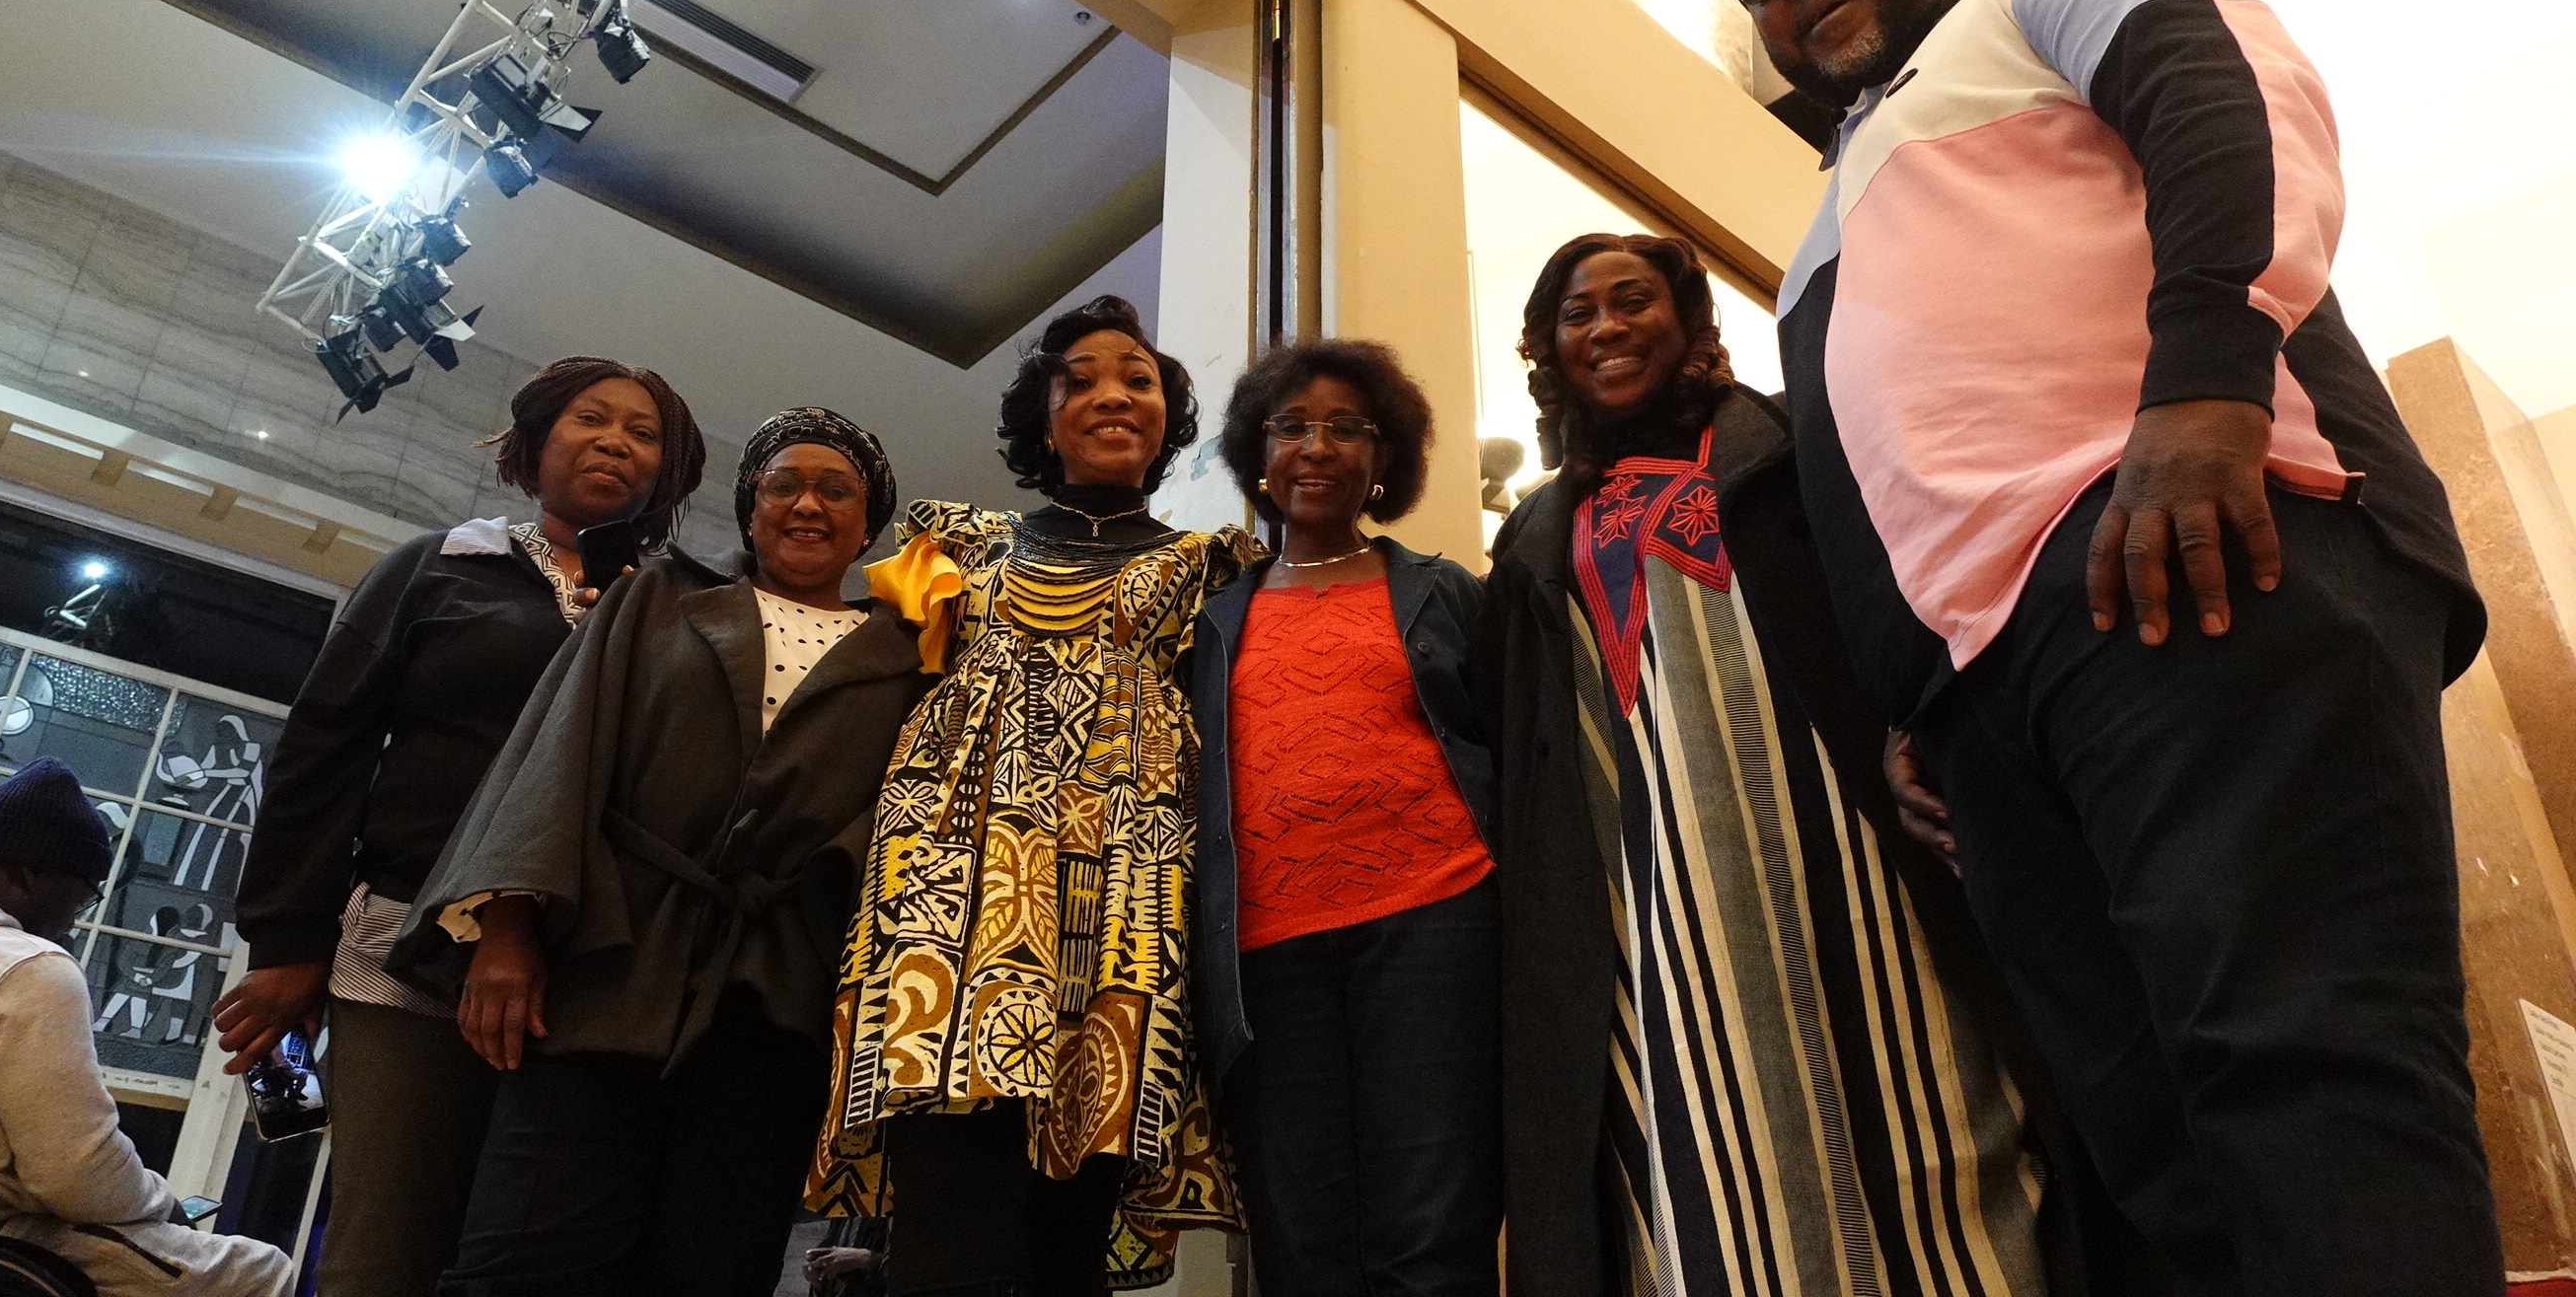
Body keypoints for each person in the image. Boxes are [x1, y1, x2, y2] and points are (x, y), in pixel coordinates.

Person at [1734, 0, 2498, 1291]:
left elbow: (2229, 99)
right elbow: (1863, 479)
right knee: (2154, 1149)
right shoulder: (1814, 242)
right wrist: (1913, 709)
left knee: (2307, 1064)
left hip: (2191, 538)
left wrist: (2206, 382)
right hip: (1988, 699)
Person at [1480, 234, 2051, 1297]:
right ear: (1548, 351)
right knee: (1718, 1131)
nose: (1605, 328)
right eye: (1577, 314)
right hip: (1666, 888)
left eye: (1632, 300)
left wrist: (1918, 726)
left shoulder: (1790, 442)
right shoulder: (1531, 540)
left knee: (1930, 1090)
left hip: (1854, 842)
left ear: (1687, 318)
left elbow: (1909, 594)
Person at [387, 410, 931, 1297]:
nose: (807, 505)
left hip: (777, 998)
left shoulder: (911, 659)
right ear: (750, 507)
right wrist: (508, 928)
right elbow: (560, 752)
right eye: (784, 485)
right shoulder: (658, 598)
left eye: (836, 491)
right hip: (608, 968)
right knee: (525, 1253)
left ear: (867, 525)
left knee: (713, 1267)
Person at [216, 357, 706, 1296]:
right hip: (405, 943)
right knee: (386, 1247)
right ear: (535, 442)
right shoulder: (436, 565)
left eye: (643, 434)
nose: (615, 442)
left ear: (667, 472)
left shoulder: (681, 611)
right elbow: (324, 751)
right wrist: (288, 942)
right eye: (590, 419)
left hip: (590, 973)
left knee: (532, 1263)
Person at [810, 295, 1256, 1295]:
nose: (1113, 395)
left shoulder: (1212, 568)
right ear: (1043, 420)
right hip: (948, 891)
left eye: (1137, 379)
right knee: (945, 1213)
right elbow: (858, 695)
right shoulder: (954, 548)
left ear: (1166, 419)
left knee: (1071, 1229)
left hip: (1124, 897)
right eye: (1080, 379)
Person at [1186, 339, 1498, 1296]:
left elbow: (1511, 748)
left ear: (1383, 455)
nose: (1315, 447)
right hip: (1266, 956)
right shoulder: (1208, 619)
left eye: (1345, 428)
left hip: (1434, 926)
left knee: (1431, 1233)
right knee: (1299, 1242)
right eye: (1290, 427)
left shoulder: (1443, 590)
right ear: (1258, 452)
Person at [0, 758, 290, 1295]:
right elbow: (75, 1177)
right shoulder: (28, 968)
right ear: (28, 873)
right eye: (83, 895)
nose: (75, 919)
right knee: (262, 1270)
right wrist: (164, 1203)